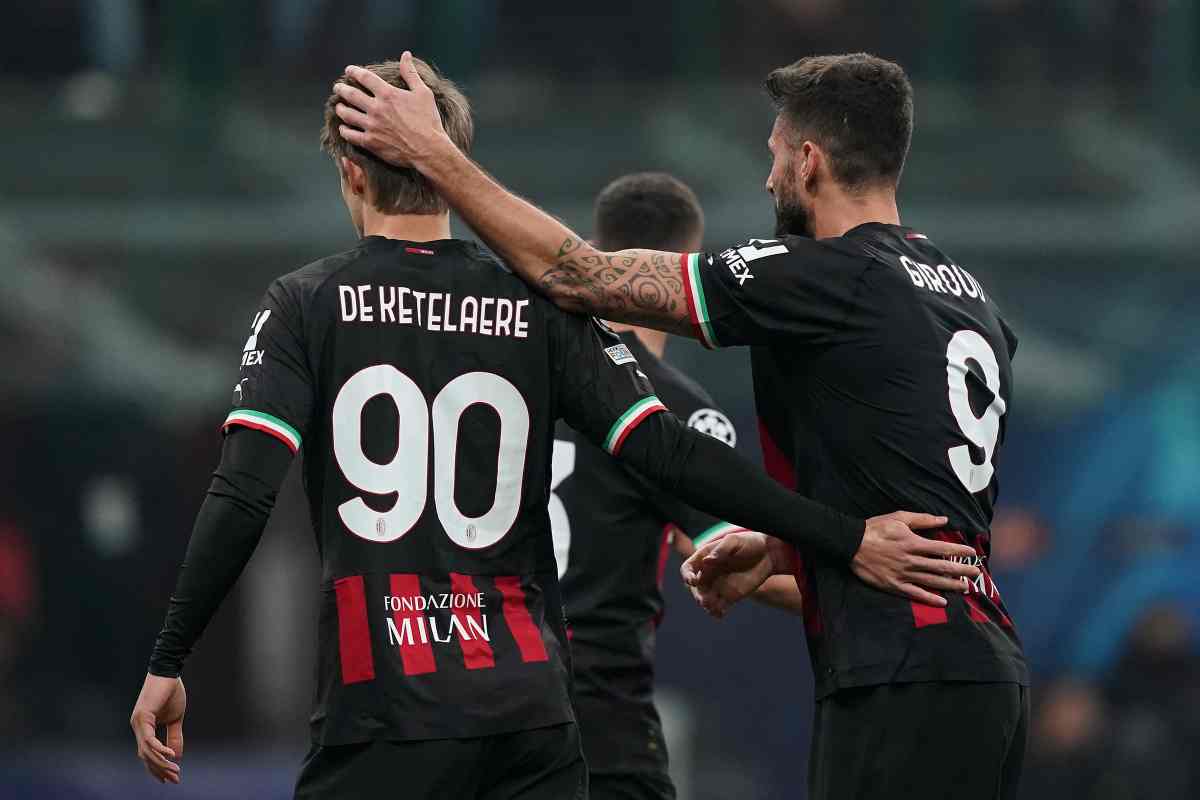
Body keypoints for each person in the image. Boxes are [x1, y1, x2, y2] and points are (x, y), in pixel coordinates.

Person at [129, 58, 975, 799]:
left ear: (350, 171)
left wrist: (171, 657)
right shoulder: (537, 306)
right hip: (529, 716)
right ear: (448, 158)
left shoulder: (306, 303)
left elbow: (243, 493)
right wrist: (842, 535)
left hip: (384, 705)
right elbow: (670, 453)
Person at [553, 172, 803, 800]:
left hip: (488, 683)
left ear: (594, 248)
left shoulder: (530, 369)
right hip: (598, 704)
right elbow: (726, 554)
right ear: (687, 265)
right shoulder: (678, 409)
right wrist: (859, 583)